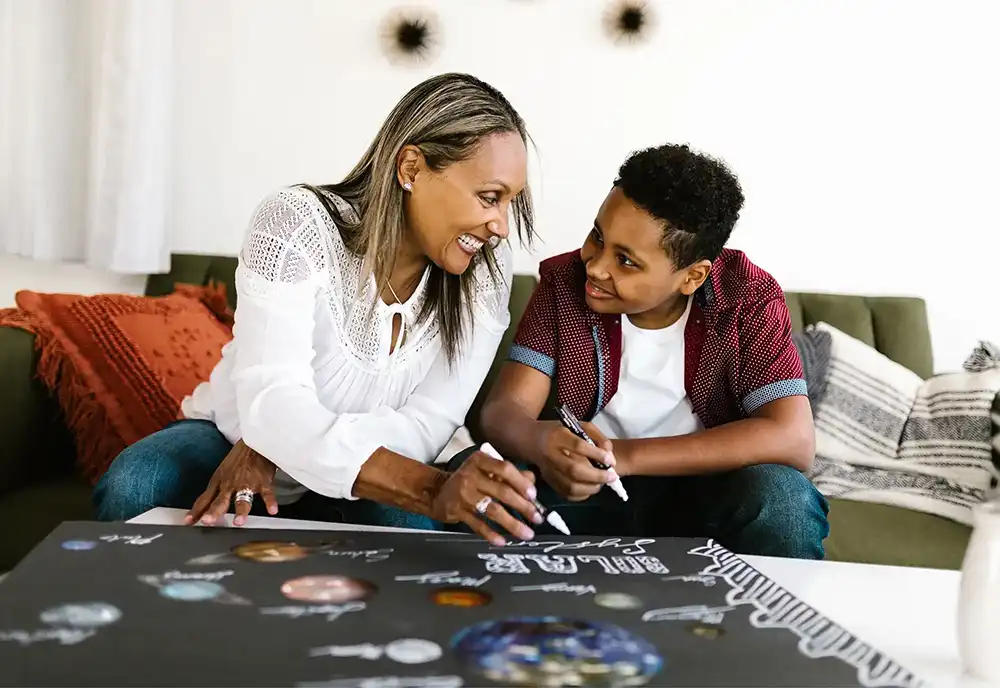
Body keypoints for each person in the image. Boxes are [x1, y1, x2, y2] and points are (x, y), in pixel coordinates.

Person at [93, 73, 543, 547]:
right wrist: (273, 432)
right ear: (410, 168)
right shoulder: (295, 224)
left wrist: (284, 442)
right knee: (136, 485)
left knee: (409, 532)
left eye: (510, 202)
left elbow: (429, 424)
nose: (501, 227)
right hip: (232, 437)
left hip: (381, 454)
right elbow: (271, 404)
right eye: (490, 198)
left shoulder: (487, 270)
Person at [475, 143, 830, 559]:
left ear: (692, 277)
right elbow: (502, 412)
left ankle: (774, 623)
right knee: (478, 476)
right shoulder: (564, 285)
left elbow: (793, 438)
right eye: (598, 237)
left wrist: (624, 456)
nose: (595, 266)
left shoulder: (747, 298)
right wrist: (540, 441)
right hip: (586, 494)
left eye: (626, 260)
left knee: (783, 499)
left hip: (703, 499)